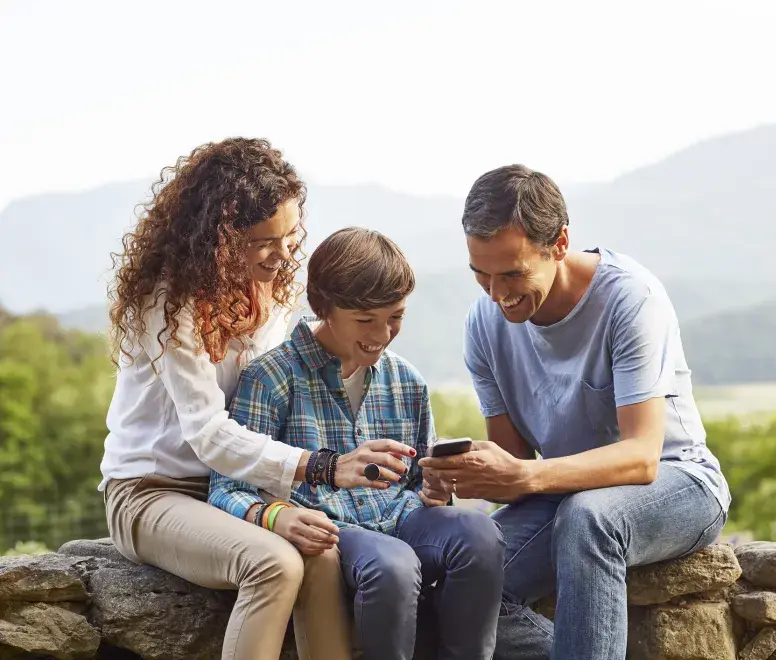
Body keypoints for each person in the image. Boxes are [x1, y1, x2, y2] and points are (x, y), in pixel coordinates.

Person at [417, 164, 732, 660]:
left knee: (589, 520)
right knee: (464, 576)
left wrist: (523, 475)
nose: (498, 295)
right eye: (482, 274)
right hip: (565, 493)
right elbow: (515, 459)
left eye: (513, 273)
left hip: (678, 482)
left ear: (560, 243)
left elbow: (641, 458)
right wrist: (464, 473)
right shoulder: (484, 324)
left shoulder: (630, 299)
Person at [99, 137, 352, 660]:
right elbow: (209, 433)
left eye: (290, 235)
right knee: (273, 564)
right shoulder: (168, 302)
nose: (284, 255)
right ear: (218, 237)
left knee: (321, 552)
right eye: (265, 241)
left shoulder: (269, 290)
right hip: (151, 491)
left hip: (231, 489)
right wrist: (322, 466)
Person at [208, 226, 506, 660]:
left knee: (480, 535)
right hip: (331, 529)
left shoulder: (407, 381)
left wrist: (438, 489)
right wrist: (274, 516)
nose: (383, 334)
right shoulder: (271, 379)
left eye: (396, 317)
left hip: (402, 519)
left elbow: (422, 487)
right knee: (392, 567)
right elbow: (225, 487)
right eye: (366, 320)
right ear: (322, 306)